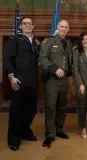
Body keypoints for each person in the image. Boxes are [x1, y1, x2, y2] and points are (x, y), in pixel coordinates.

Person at [4, 17, 39, 151]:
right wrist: (11, 76)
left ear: (33, 26)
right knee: (17, 111)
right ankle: (13, 139)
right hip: (18, 81)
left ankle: (25, 132)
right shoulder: (15, 39)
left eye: (29, 23)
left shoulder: (35, 41)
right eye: (24, 23)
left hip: (32, 81)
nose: (27, 25)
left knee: (30, 110)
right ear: (21, 26)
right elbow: (8, 58)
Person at [39, 20, 72, 147]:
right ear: (57, 27)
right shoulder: (49, 41)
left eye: (66, 27)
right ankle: (49, 134)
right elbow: (42, 58)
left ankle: (59, 130)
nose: (63, 29)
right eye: (61, 26)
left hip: (64, 80)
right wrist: (55, 69)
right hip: (52, 80)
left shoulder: (68, 43)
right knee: (51, 107)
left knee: (62, 107)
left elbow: (69, 60)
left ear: (68, 29)